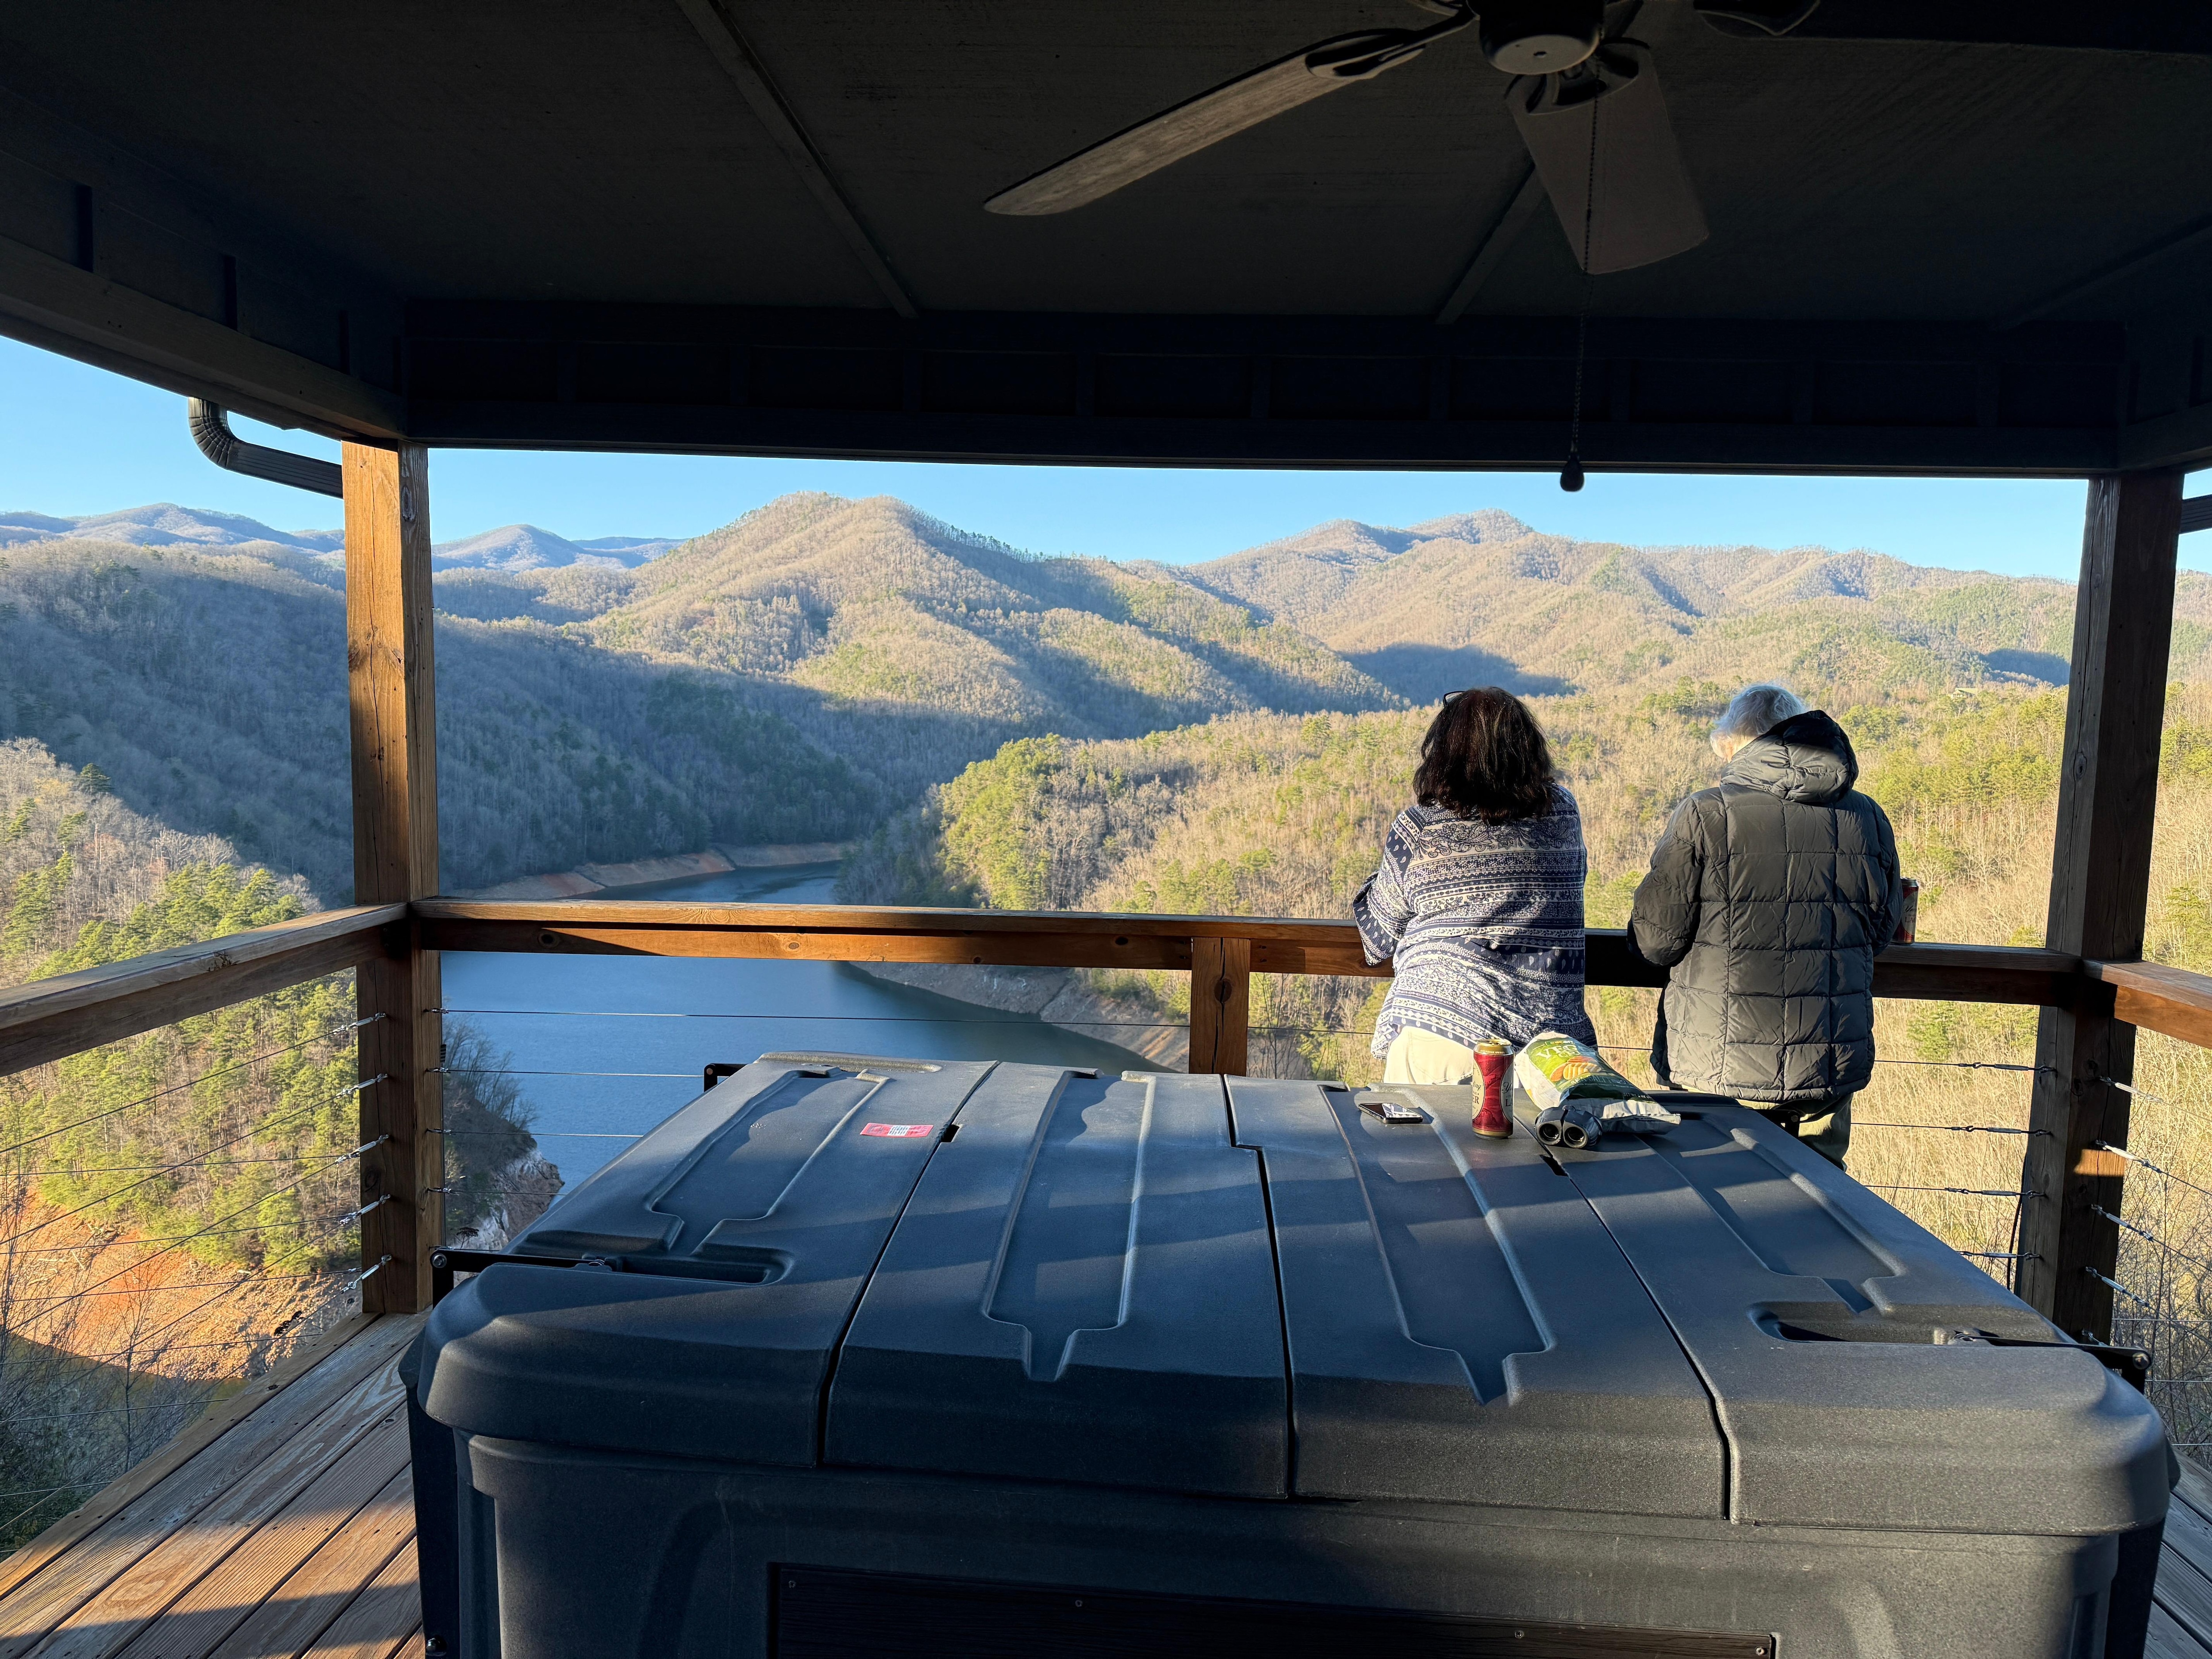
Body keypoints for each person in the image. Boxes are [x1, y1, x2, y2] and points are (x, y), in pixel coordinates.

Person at [1628, 684, 1902, 1167]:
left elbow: (1655, 942)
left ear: (1736, 742)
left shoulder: (1705, 813)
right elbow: (1880, 932)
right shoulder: (1867, 817)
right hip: (1825, 1058)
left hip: (1713, 1065)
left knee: (1711, 1191)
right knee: (1820, 1196)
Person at [1354, 687, 1595, 1085]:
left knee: (1418, 1130)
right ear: (1529, 749)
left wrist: (1380, 879)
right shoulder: (1564, 812)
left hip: (1441, 1033)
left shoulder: (1420, 827)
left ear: (1443, 752)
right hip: (1549, 1050)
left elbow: (1378, 938)